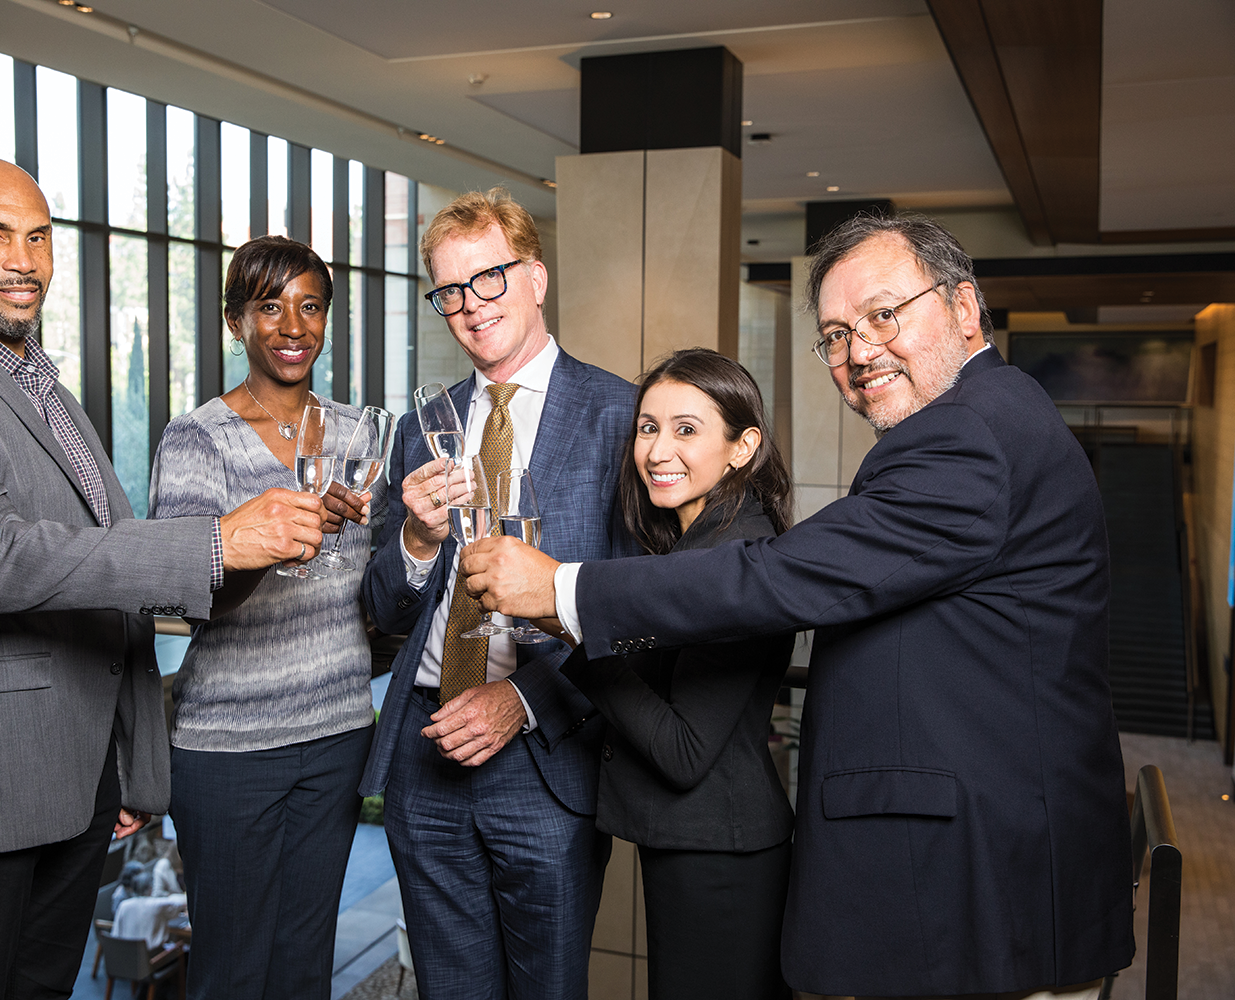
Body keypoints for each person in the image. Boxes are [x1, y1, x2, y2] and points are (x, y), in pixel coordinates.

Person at [463, 213, 1134, 999]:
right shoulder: (984, 419)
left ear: (962, 308)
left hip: (982, 873)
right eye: (838, 334)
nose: (859, 350)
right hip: (966, 862)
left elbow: (779, 578)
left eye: (884, 314)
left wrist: (561, 591)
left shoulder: (969, 435)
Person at [0, 156, 324, 999]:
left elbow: (100, 561)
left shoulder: (42, 388)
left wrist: (125, 764)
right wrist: (213, 542)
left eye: (38, 237)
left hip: (75, 783)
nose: (23, 260)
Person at [359, 187, 636, 1000]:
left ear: (537, 279)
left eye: (490, 279)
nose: (472, 308)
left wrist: (522, 699)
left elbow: (637, 611)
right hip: (424, 746)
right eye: (450, 291)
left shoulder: (621, 416)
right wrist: (412, 540)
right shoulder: (424, 423)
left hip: (546, 758)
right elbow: (381, 610)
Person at [148, 235, 377, 1000]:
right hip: (230, 750)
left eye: (310, 306)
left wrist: (409, 536)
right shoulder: (195, 439)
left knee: (304, 965)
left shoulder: (358, 434)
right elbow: (189, 597)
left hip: (340, 730)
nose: (292, 325)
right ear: (233, 322)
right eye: (269, 306)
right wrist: (268, 545)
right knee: (232, 971)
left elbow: (379, 593)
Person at [558, 348, 794, 1000]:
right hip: (705, 844)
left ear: (743, 446)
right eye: (648, 427)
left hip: (721, 854)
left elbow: (685, 750)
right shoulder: (692, 548)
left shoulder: (733, 561)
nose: (659, 450)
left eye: (687, 429)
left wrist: (576, 630)